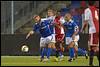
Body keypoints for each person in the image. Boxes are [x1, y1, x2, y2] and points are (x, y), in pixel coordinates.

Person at [81, 1, 99, 66]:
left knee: (93, 48)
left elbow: (85, 22)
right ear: (94, 3)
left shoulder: (87, 10)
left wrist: (82, 29)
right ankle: (90, 63)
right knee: (95, 47)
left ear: (87, 4)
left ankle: (91, 64)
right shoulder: (97, 9)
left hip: (94, 30)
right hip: (98, 29)